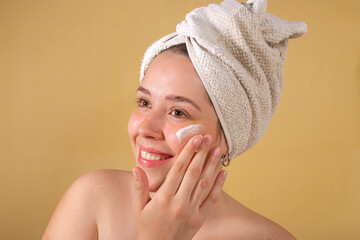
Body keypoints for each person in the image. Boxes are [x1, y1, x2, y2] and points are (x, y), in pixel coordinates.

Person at [42, 0, 306, 239]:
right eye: (144, 103)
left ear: (226, 138)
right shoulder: (93, 198)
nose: (145, 128)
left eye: (178, 112)